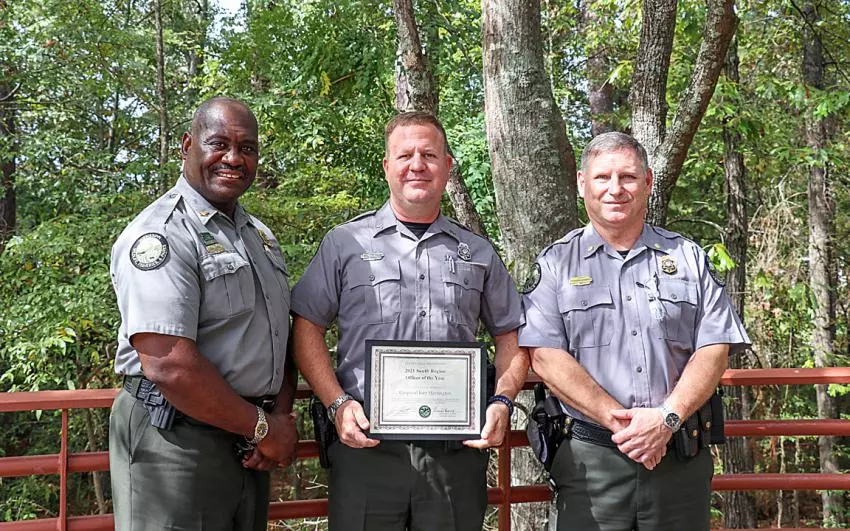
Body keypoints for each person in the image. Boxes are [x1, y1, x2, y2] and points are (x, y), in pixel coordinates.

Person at [290, 111, 528, 530]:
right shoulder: (345, 243)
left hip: (455, 453)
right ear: (387, 166)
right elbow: (306, 326)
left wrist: (503, 401)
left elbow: (511, 335)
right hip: (366, 447)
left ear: (447, 166)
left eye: (429, 155)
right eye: (405, 155)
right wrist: (337, 403)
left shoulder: (477, 252)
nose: (417, 165)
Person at [519, 132, 750, 531]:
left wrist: (666, 419)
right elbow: (544, 356)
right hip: (591, 461)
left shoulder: (688, 258)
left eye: (627, 177)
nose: (615, 189)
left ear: (648, 182)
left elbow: (715, 347)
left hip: (678, 459)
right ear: (582, 183)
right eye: (602, 177)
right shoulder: (555, 264)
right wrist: (625, 426)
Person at [108, 97, 298, 530]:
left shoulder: (259, 237)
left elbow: (277, 335)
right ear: (187, 145)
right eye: (219, 144)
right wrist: (264, 428)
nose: (233, 158)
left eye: (247, 148)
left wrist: (275, 419)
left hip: (246, 443)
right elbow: (169, 364)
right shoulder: (160, 234)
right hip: (174, 442)